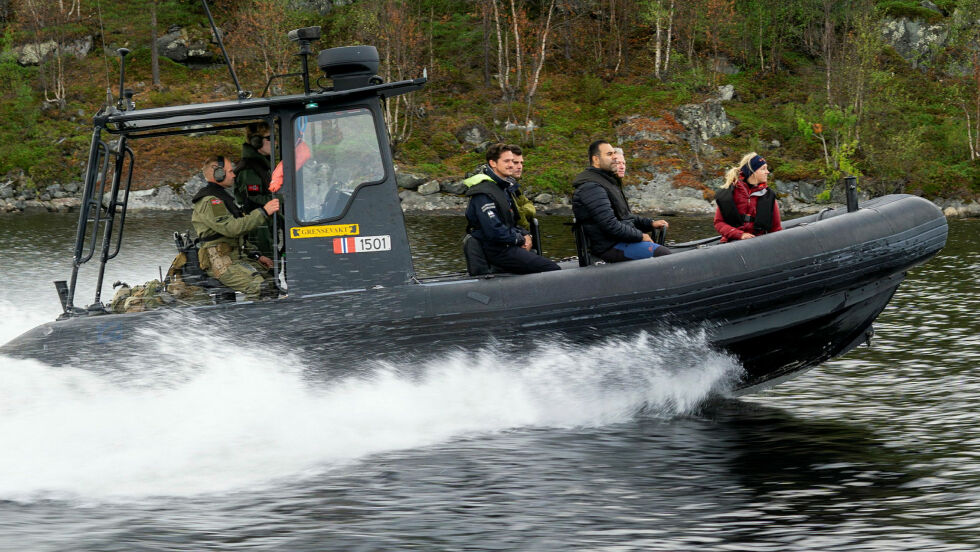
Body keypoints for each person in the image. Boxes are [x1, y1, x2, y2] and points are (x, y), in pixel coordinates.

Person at [192, 155, 281, 301]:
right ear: (218, 174)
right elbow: (232, 229)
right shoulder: (211, 201)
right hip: (222, 263)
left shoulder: (222, 198)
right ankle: (244, 322)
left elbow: (238, 239)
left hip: (236, 258)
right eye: (230, 171)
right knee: (259, 288)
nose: (234, 174)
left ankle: (268, 319)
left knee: (271, 282)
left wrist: (257, 255)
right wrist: (264, 212)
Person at [463, 143, 560, 274]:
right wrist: (519, 239)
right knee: (552, 269)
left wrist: (525, 234)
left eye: (512, 161)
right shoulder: (484, 193)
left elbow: (511, 222)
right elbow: (494, 230)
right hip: (496, 251)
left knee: (541, 263)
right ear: (493, 163)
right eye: (506, 161)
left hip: (506, 246)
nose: (511, 165)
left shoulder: (503, 188)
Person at [572, 140, 672, 262]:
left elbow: (625, 217)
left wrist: (650, 224)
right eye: (609, 154)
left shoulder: (607, 183)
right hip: (608, 247)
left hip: (618, 241)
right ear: (596, 160)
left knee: (661, 250)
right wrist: (640, 236)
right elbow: (610, 225)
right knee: (664, 254)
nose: (614, 157)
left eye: (614, 153)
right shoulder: (591, 187)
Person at [714, 152, 782, 242]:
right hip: (732, 242)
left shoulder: (768, 196)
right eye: (763, 169)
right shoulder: (730, 193)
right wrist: (740, 235)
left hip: (758, 242)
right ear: (752, 172)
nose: (767, 172)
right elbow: (719, 222)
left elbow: (776, 228)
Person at [233, 122, 277, 259]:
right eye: (270, 138)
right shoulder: (249, 169)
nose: (275, 142)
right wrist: (281, 199)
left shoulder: (263, 164)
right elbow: (254, 199)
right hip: (258, 227)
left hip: (264, 223)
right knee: (267, 267)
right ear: (257, 142)